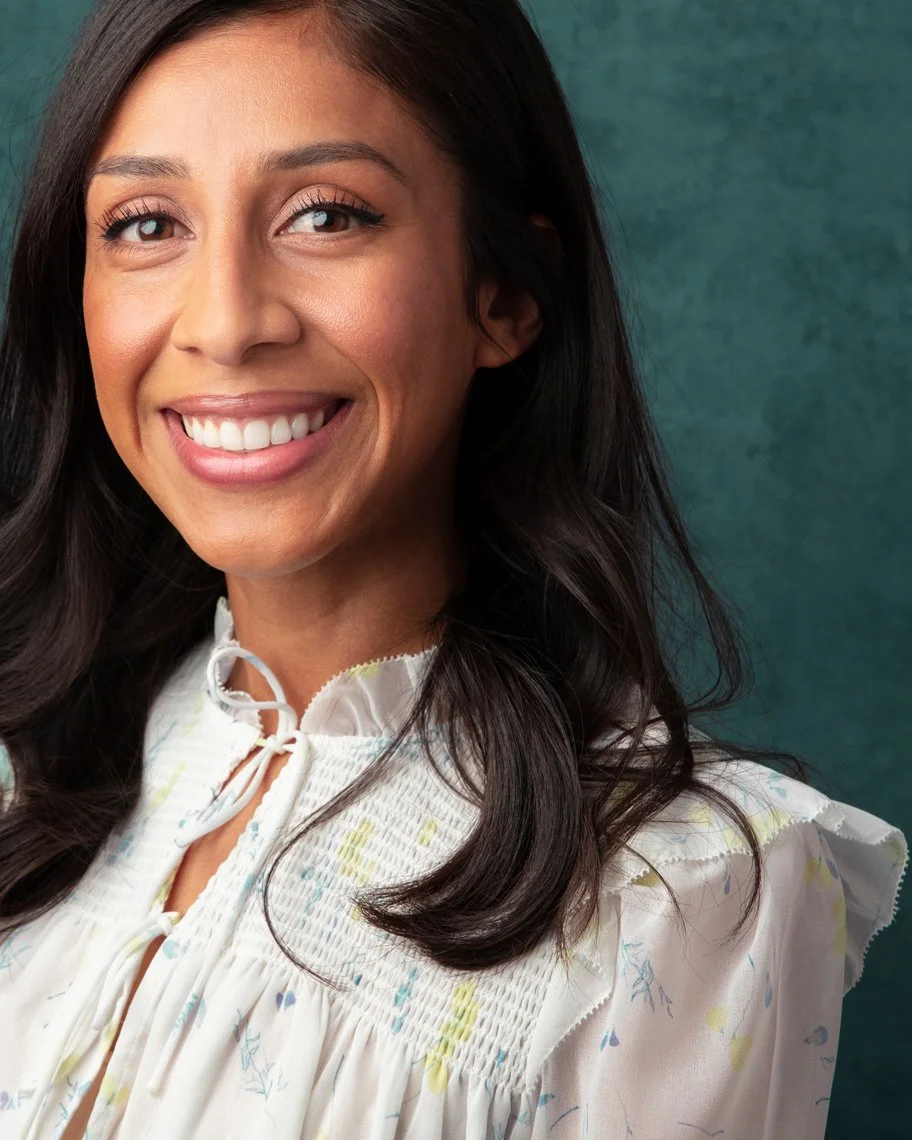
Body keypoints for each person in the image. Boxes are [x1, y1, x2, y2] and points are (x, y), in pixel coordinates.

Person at [0, 1, 905, 1136]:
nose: (224, 324)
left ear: (505, 297)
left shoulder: (682, 889)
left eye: (326, 215)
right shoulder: (27, 775)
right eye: (145, 224)